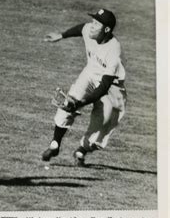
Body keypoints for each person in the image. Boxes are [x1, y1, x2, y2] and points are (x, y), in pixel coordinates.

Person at [41, 9, 127, 166]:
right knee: (69, 100)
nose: (91, 26)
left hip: (111, 86)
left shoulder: (114, 51)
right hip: (90, 73)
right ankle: (55, 144)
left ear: (106, 29)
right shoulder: (91, 30)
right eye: (93, 22)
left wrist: (80, 104)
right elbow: (82, 28)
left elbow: (103, 88)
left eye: (96, 24)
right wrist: (62, 35)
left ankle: (82, 150)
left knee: (103, 125)